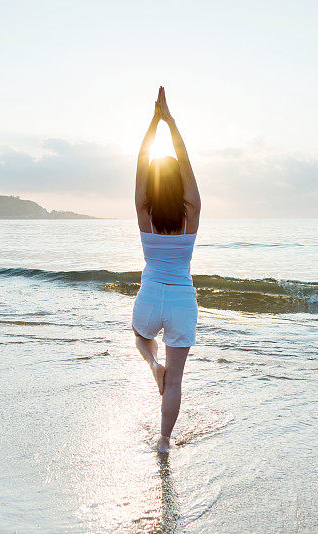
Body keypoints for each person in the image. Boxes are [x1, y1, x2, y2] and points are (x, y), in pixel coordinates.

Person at [132, 86, 201, 454]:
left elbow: (142, 164)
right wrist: (171, 122)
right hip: (182, 300)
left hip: (150, 292)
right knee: (175, 381)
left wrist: (154, 123)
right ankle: (163, 442)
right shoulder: (192, 213)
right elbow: (186, 163)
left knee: (141, 337)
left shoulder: (145, 214)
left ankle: (152, 363)